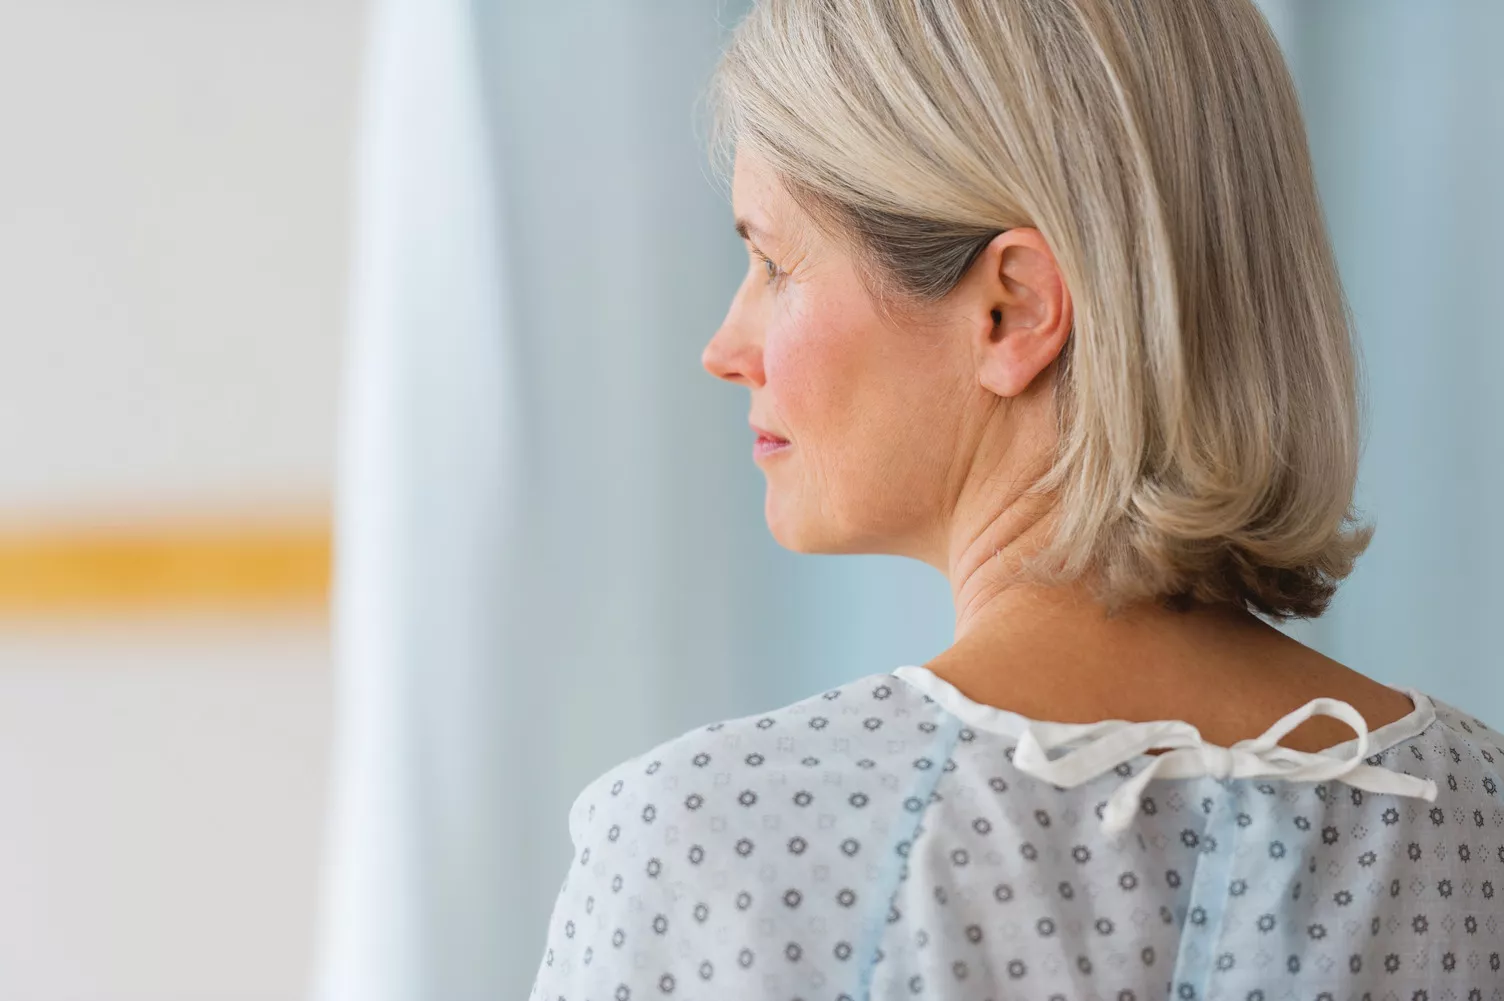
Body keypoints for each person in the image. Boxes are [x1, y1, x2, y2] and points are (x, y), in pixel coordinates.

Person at [529, 0, 1504, 997]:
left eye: (774, 262)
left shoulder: (708, 844)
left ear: (1014, 309)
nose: (724, 349)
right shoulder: (1479, 821)